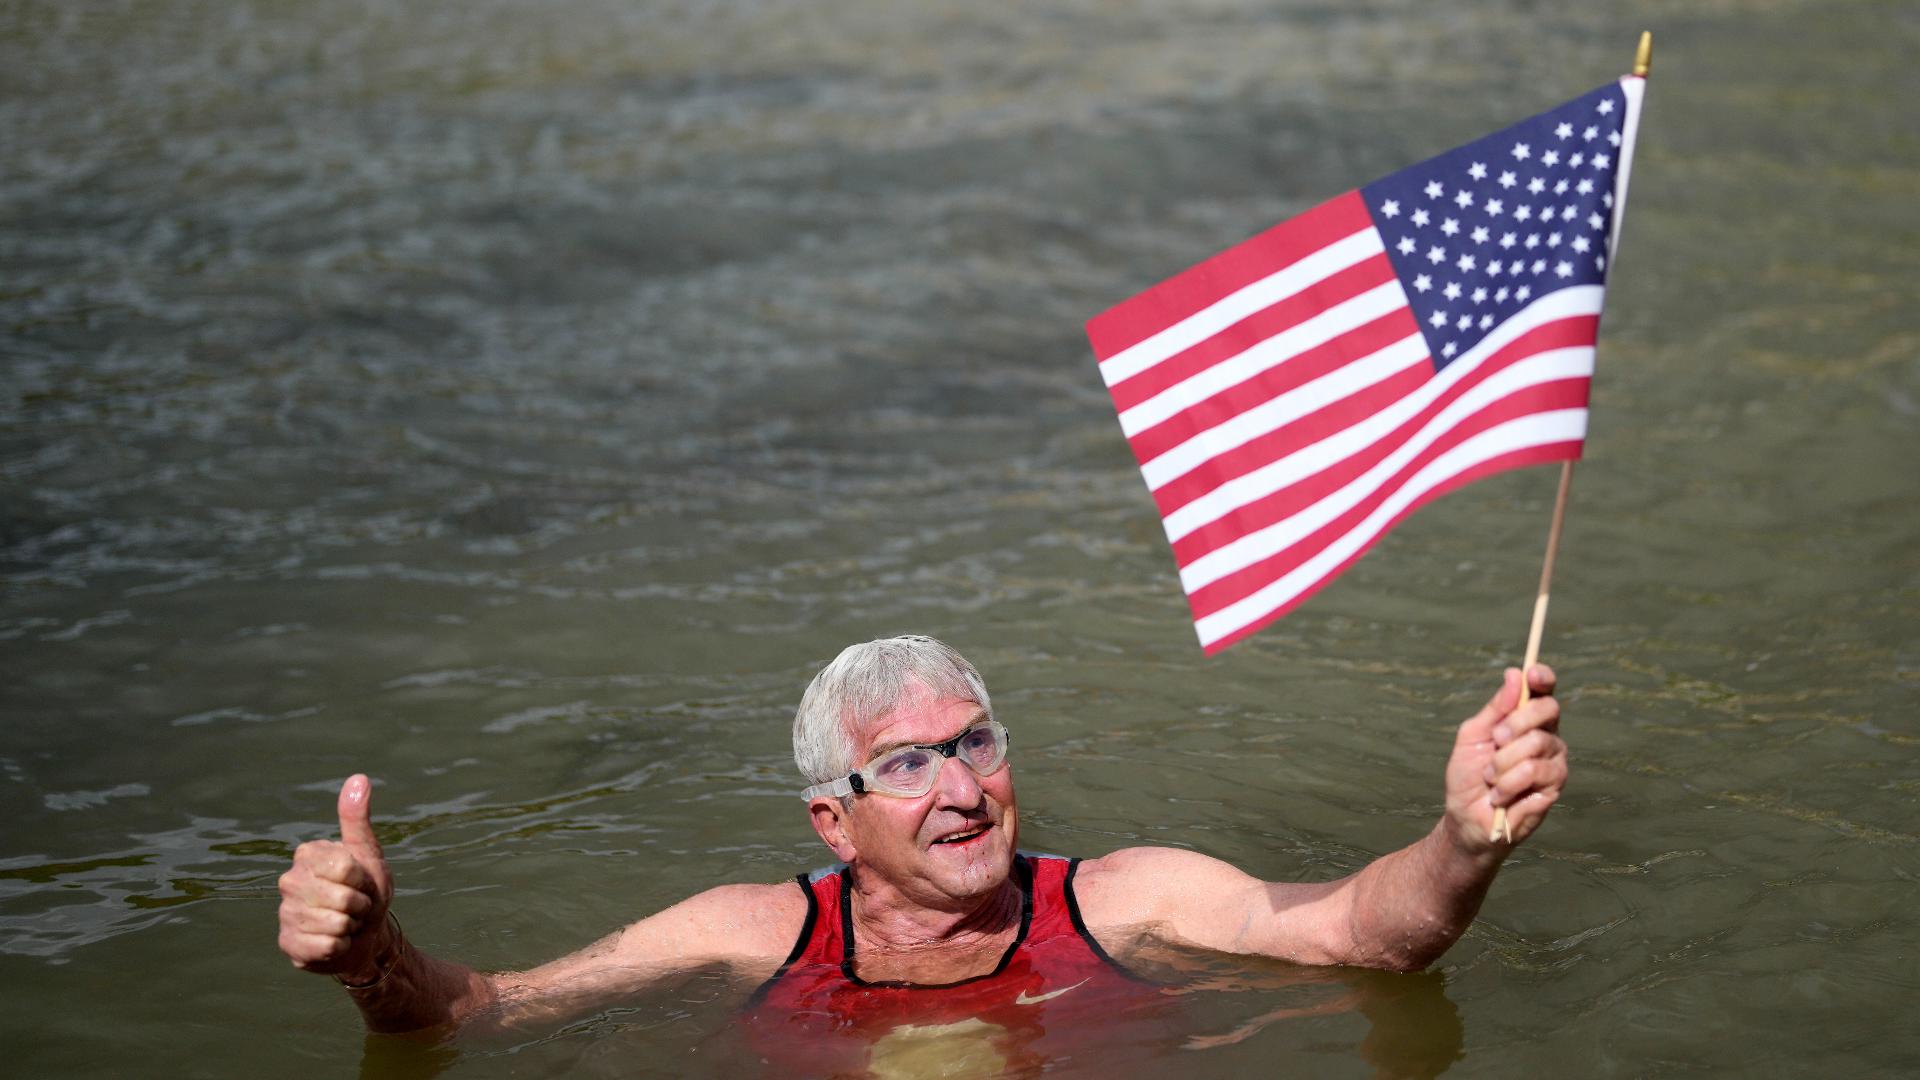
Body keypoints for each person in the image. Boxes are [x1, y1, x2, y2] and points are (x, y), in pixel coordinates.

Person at [277, 635, 1566, 1051]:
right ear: (832, 822)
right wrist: (373, 957)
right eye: (908, 763)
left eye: (978, 742)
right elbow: (481, 1015)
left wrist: (1462, 841)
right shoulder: (750, 931)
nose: (964, 787)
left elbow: (1364, 938)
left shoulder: (1126, 899)